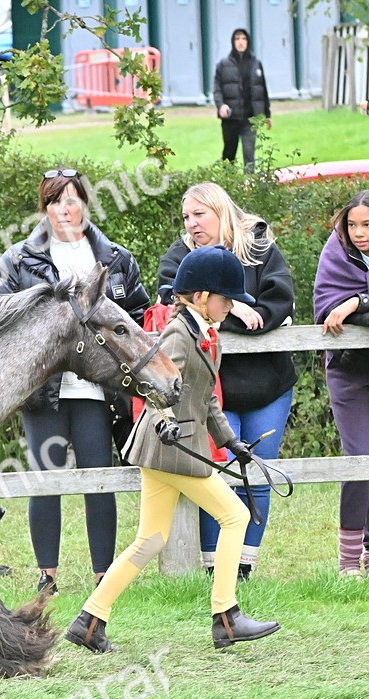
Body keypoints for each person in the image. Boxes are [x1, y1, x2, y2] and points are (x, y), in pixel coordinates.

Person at [66, 245, 281, 653]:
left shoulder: (205, 334)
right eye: (226, 298)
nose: (231, 305)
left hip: (169, 448)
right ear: (202, 296)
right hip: (172, 446)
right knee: (235, 515)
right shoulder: (179, 334)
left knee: (150, 539)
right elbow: (152, 385)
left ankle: (89, 621)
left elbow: (205, 399)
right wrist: (165, 421)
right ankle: (226, 617)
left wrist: (230, 441)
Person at [0, 168, 149, 594]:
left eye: (72, 199)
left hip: (100, 389)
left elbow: (141, 315)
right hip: (45, 392)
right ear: (45, 207)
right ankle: (47, 576)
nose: (65, 208)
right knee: (47, 479)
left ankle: (104, 576)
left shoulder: (117, 258)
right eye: (56, 200)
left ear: (86, 204)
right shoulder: (20, 259)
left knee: (99, 479)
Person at [157, 182, 296, 579]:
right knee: (216, 474)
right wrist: (237, 307)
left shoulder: (258, 245)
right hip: (211, 386)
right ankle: (213, 566)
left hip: (267, 381)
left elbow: (278, 302)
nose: (192, 223)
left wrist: (226, 312)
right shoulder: (181, 255)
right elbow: (173, 299)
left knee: (260, 471)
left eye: (199, 214)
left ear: (220, 211)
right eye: (186, 216)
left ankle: (244, 567)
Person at [313, 190, 369, 577]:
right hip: (348, 371)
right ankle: (349, 561)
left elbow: (346, 310)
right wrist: (351, 304)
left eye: (367, 225)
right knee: (359, 458)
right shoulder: (335, 254)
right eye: (352, 225)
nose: (359, 232)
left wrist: (356, 304)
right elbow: (324, 310)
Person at [212, 28, 271, 172]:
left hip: (250, 118)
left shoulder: (256, 64)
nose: (240, 42)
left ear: (248, 42)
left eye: (243, 39)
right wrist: (221, 105)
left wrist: (267, 114)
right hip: (231, 118)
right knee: (229, 154)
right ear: (233, 42)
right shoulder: (223, 65)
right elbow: (217, 89)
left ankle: (249, 187)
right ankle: (227, 183)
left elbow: (262, 89)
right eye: (237, 39)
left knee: (249, 155)